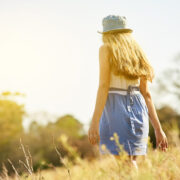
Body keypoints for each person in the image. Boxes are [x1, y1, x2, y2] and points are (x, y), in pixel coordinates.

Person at [88, 15, 168, 169]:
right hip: (138, 109)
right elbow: (147, 95)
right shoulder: (138, 52)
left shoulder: (105, 49)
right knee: (130, 161)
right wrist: (158, 129)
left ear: (106, 34)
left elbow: (104, 86)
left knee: (123, 164)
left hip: (115, 109)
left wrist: (94, 122)